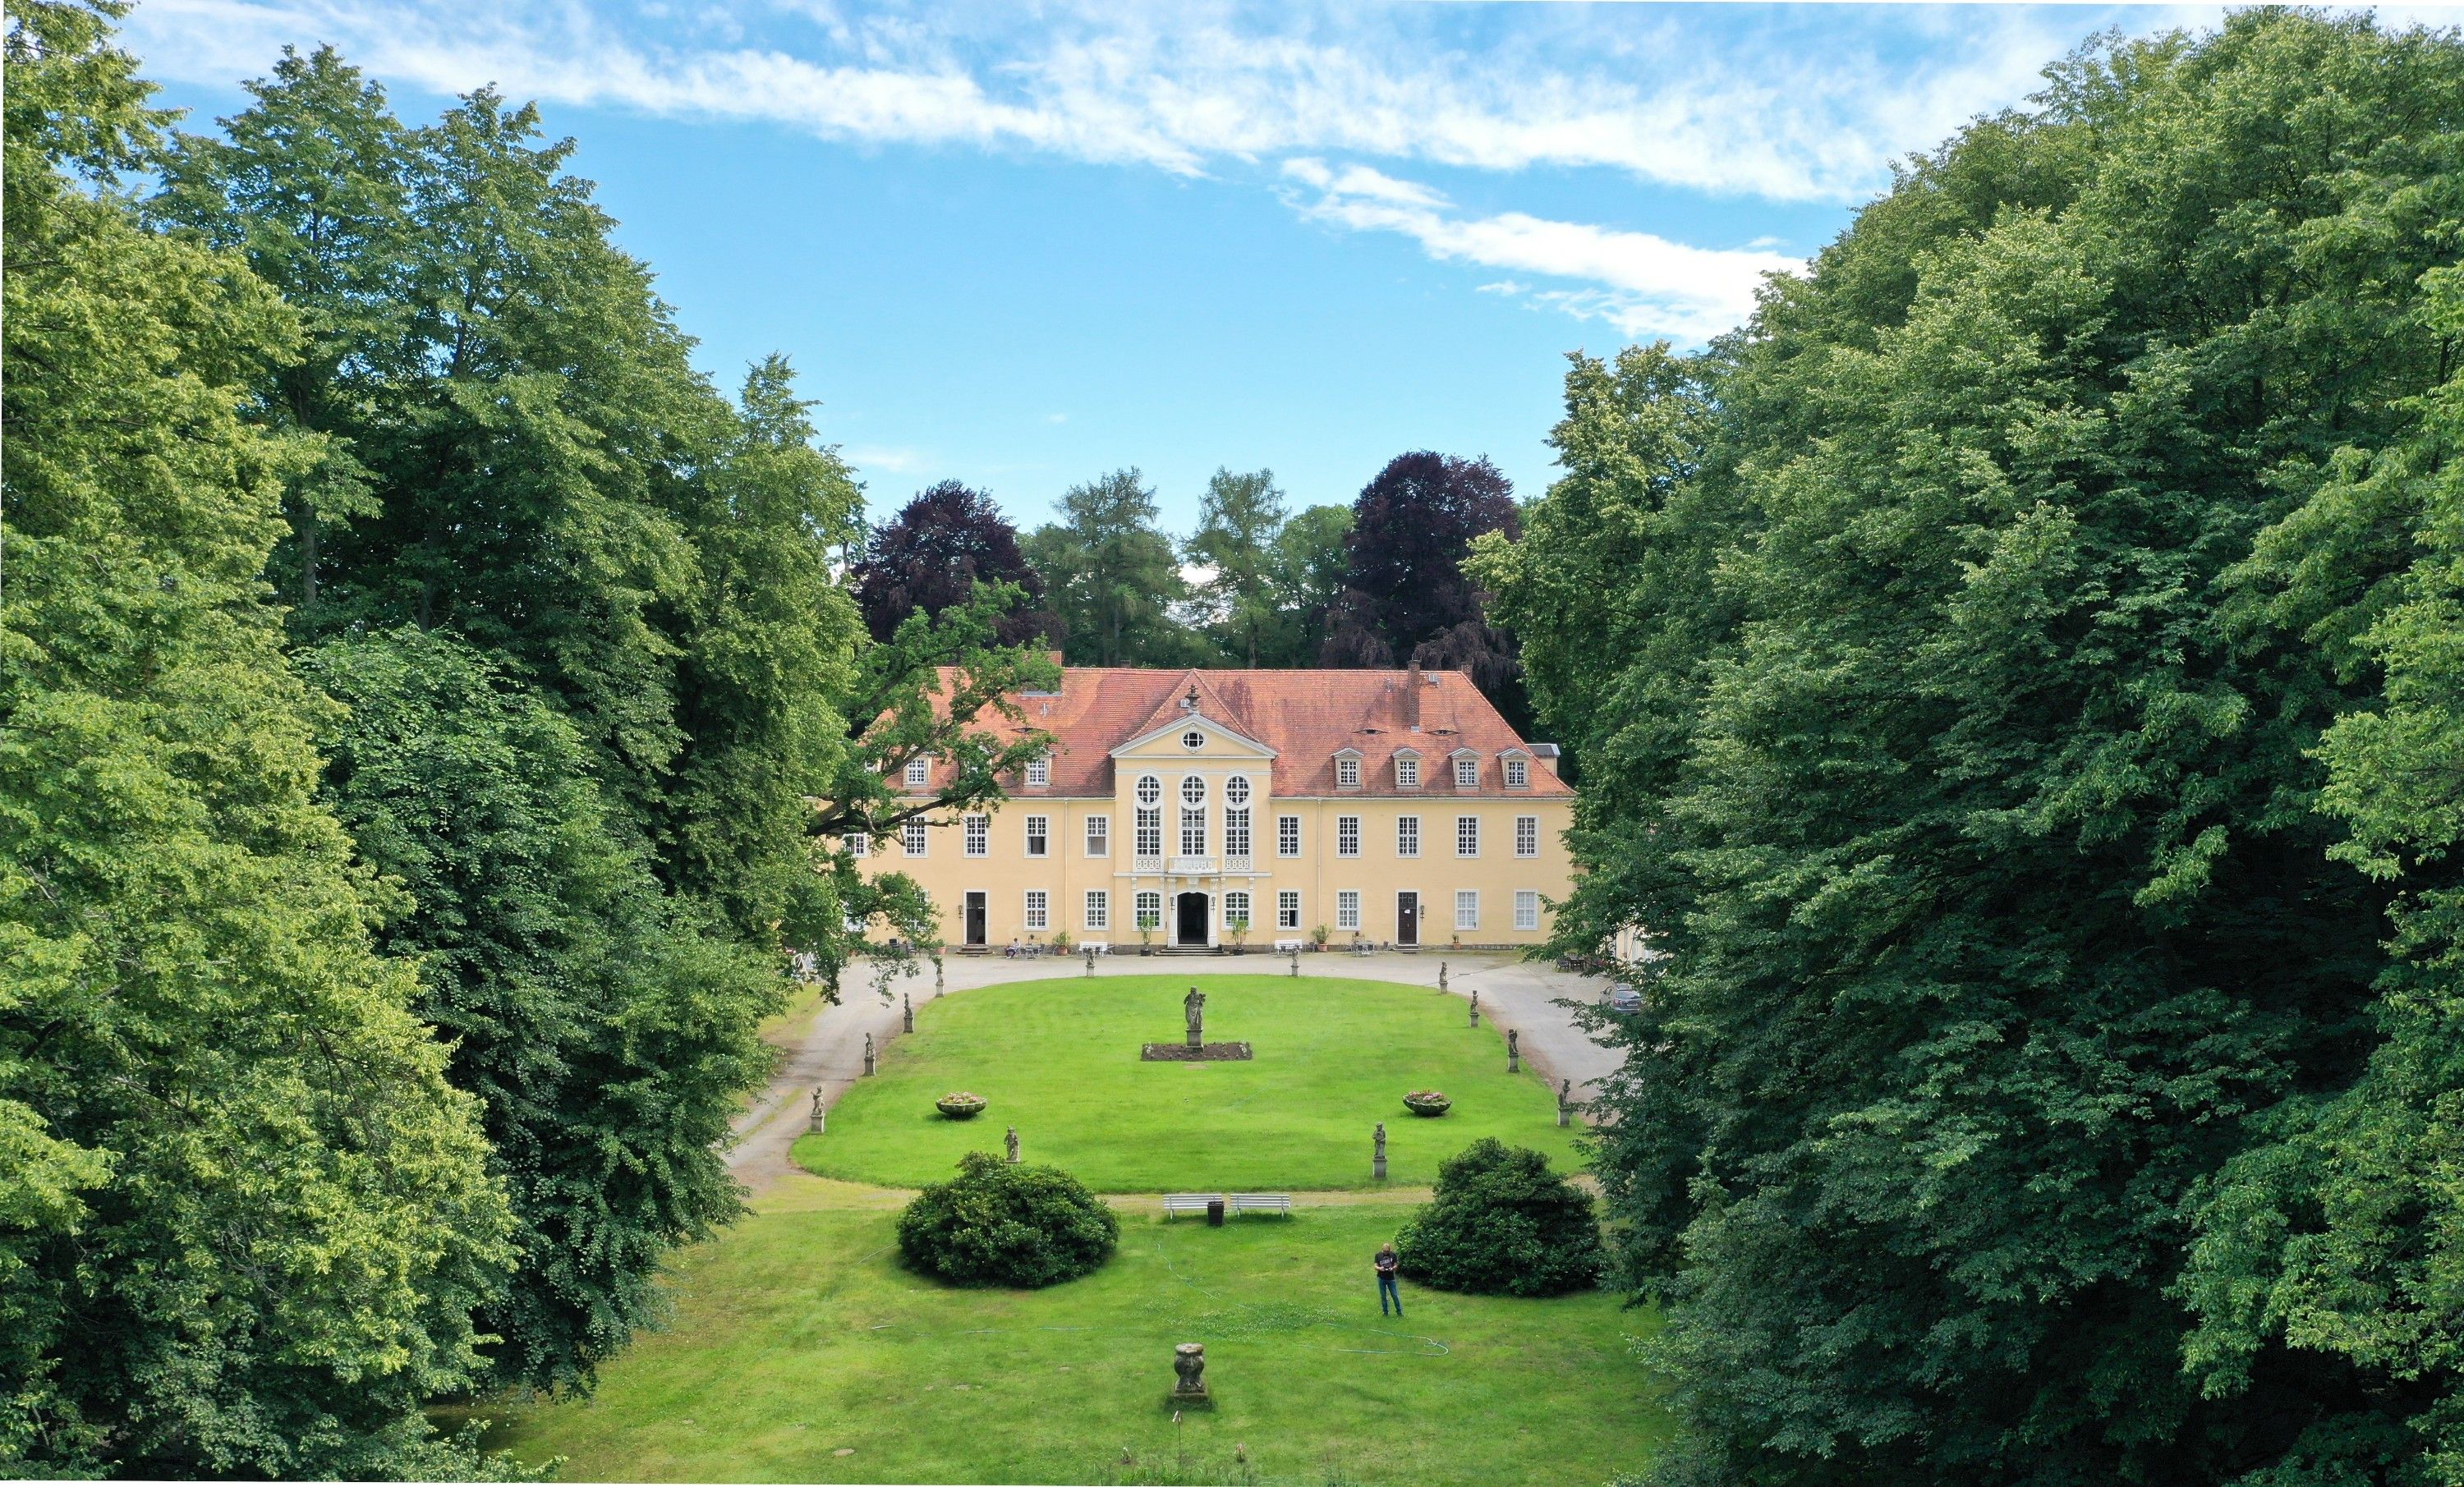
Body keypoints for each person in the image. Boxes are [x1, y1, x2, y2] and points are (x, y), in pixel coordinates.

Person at [1375, 1242, 1404, 1317]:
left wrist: (1393, 1268)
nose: (1386, 1252)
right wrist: (1380, 1268)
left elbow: (1396, 1265)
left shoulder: (1393, 1255)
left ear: (1389, 1250)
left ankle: (1399, 1312)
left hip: (1391, 1279)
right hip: (1382, 1278)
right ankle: (1385, 1312)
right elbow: (1375, 1266)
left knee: (1394, 1295)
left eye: (1387, 1251)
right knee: (1383, 1296)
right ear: (1382, 1250)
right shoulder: (1378, 1256)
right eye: (1385, 1251)